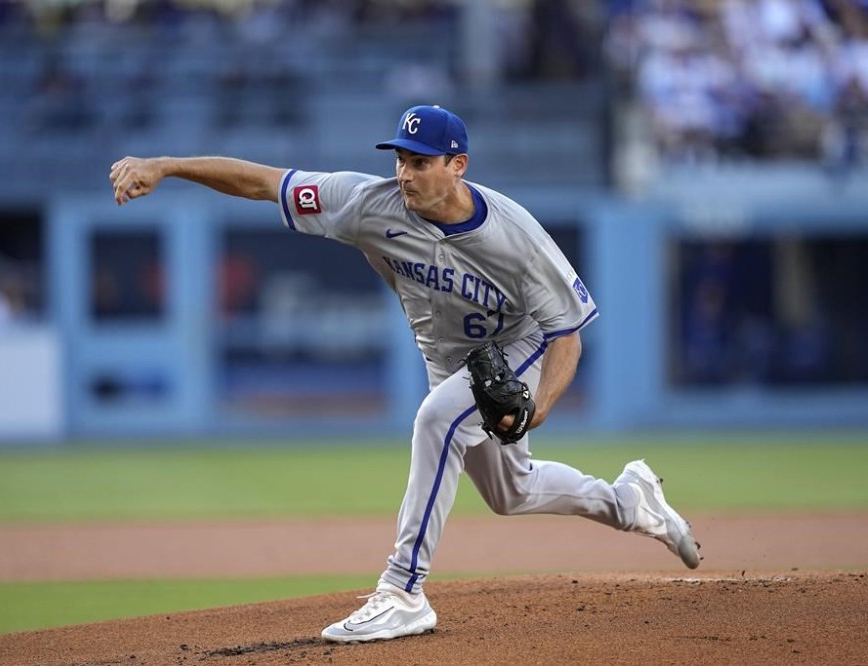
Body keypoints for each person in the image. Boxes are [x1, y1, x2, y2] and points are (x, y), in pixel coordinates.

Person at [109, 104, 701, 643]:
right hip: (446, 358)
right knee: (510, 492)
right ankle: (631, 501)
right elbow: (266, 182)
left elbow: (566, 334)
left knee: (436, 420)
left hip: (515, 345)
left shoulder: (516, 236)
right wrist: (166, 165)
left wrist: (539, 408)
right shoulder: (367, 203)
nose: (405, 173)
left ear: (457, 166)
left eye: (420, 162)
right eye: (400, 159)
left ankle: (402, 591)